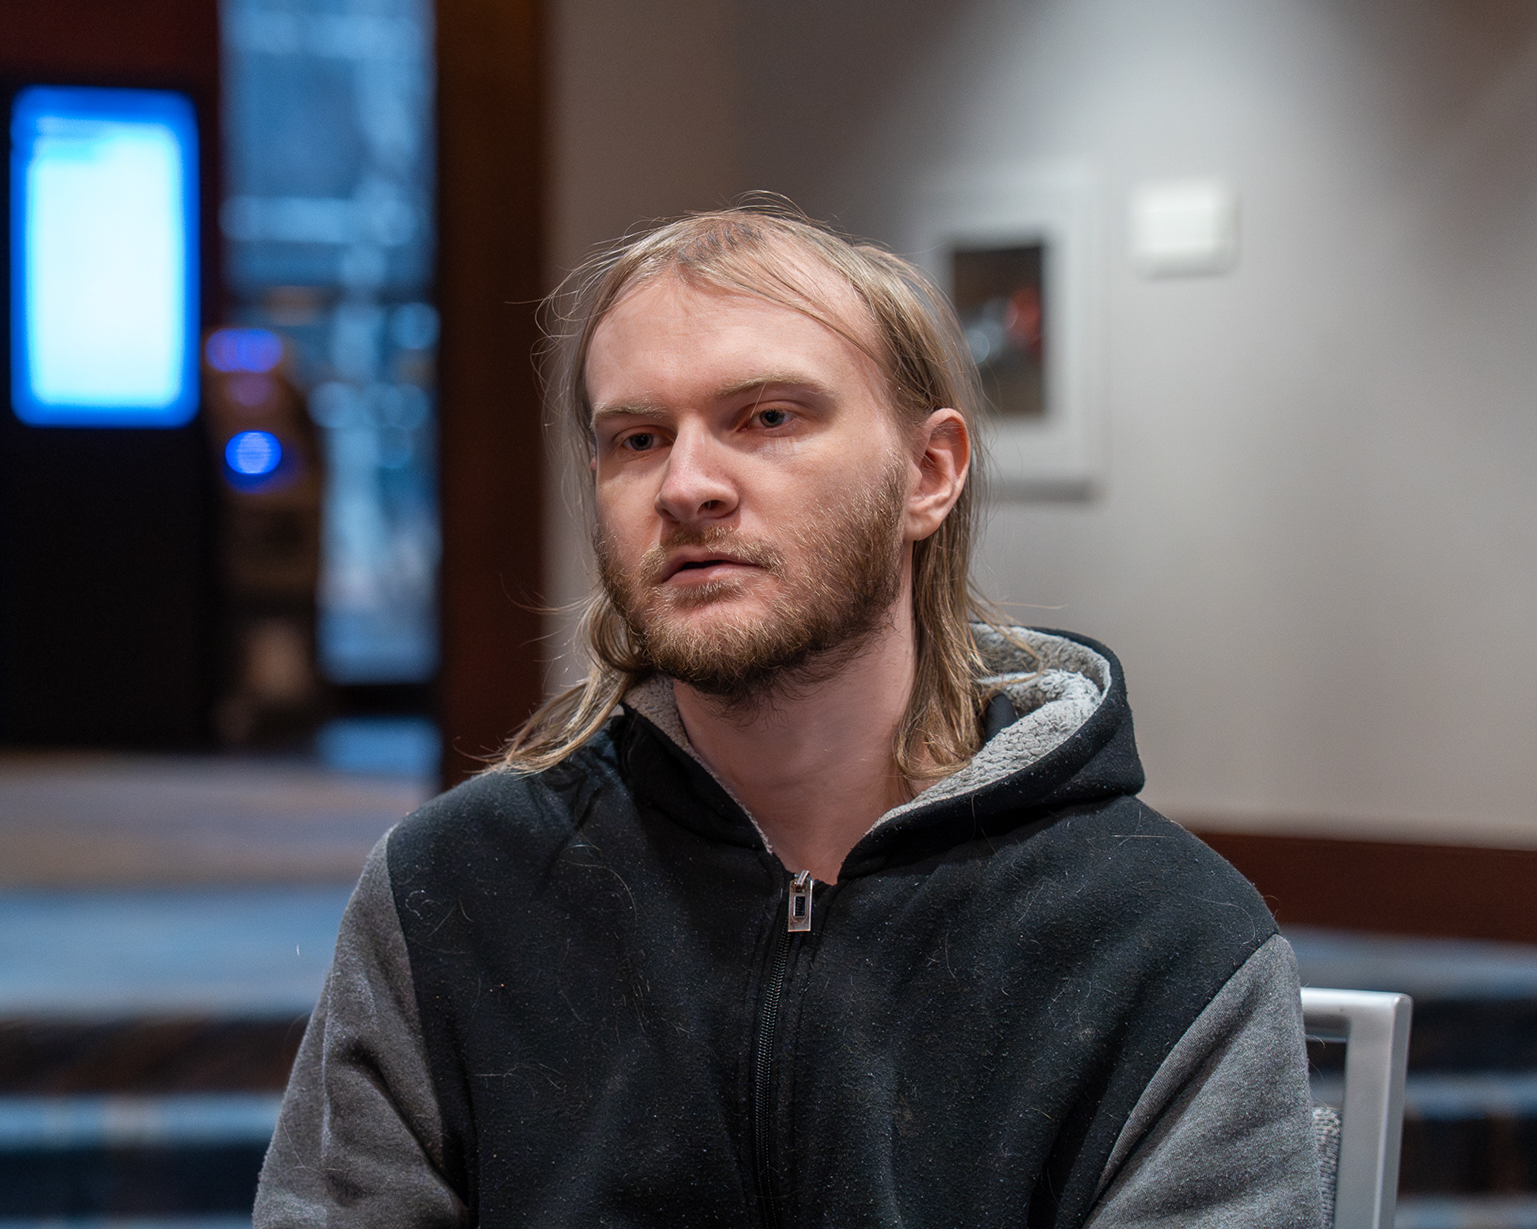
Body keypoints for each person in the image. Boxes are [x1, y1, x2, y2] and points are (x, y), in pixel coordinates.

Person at [252, 206, 1322, 1228]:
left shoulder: (1166, 939)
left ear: (930, 473)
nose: (687, 485)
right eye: (637, 438)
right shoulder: (453, 890)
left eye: (768, 418)